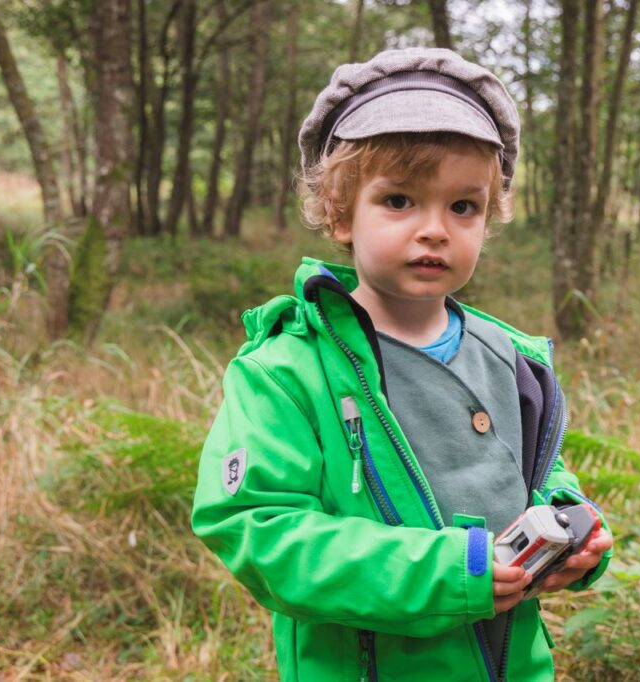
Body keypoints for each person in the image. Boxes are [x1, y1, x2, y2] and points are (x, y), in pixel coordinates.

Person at [191, 47, 613, 682]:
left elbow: (535, 471)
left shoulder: (510, 360)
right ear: (339, 212)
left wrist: (566, 526)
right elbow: (256, 528)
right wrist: (449, 575)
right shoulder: (287, 371)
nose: (434, 229)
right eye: (399, 201)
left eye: (462, 207)